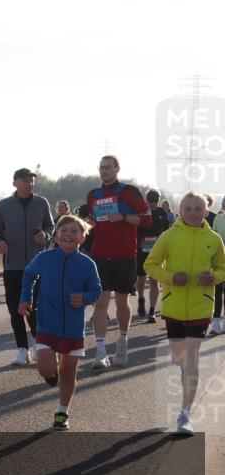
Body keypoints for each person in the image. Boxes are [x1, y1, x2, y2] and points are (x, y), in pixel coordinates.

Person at [143, 193, 225, 434]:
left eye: (198, 208)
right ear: (180, 211)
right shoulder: (169, 236)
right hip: (173, 306)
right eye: (187, 208)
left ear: (206, 212)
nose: (192, 212)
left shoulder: (214, 239)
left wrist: (214, 277)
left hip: (201, 305)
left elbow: (222, 268)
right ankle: (184, 377)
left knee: (191, 360)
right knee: (180, 359)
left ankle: (185, 414)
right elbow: (150, 264)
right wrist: (170, 278)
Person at [19, 215, 102, 430]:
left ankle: (62, 411)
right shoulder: (44, 258)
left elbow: (96, 290)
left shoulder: (87, 264)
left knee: (69, 372)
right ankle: (51, 374)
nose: (68, 235)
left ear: (82, 238)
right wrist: (25, 299)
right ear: (56, 235)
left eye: (74, 231)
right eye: (63, 230)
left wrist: (84, 297)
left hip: (73, 327)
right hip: (47, 322)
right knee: (45, 368)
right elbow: (28, 275)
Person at [84, 156, 152, 369]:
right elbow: (92, 221)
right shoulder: (93, 195)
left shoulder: (128, 192)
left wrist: (123, 217)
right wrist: (89, 224)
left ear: (117, 169)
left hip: (125, 255)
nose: (104, 171)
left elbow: (147, 219)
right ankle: (101, 352)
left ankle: (122, 340)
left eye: (108, 168)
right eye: (101, 168)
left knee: (122, 303)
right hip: (101, 255)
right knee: (101, 302)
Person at [0, 168, 54, 366]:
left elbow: (51, 226)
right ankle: (22, 350)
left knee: (35, 309)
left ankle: (39, 346)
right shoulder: (5, 205)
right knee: (16, 309)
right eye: (25, 180)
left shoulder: (41, 203)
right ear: (15, 183)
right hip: (12, 266)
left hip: (37, 265)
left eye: (32, 181)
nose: (29, 184)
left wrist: (46, 235)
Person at [135, 189, 171, 325]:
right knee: (140, 281)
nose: (152, 205)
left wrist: (162, 244)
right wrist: (140, 241)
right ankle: (141, 298)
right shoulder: (142, 212)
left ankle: (151, 311)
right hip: (142, 250)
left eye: (154, 202)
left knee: (154, 281)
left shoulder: (162, 213)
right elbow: (136, 229)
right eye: (151, 202)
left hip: (156, 251)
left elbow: (167, 232)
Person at [214, 197, 225, 335]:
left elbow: (213, 237)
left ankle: (216, 323)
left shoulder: (218, 218)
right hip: (220, 257)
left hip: (219, 257)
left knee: (218, 290)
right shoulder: (218, 217)